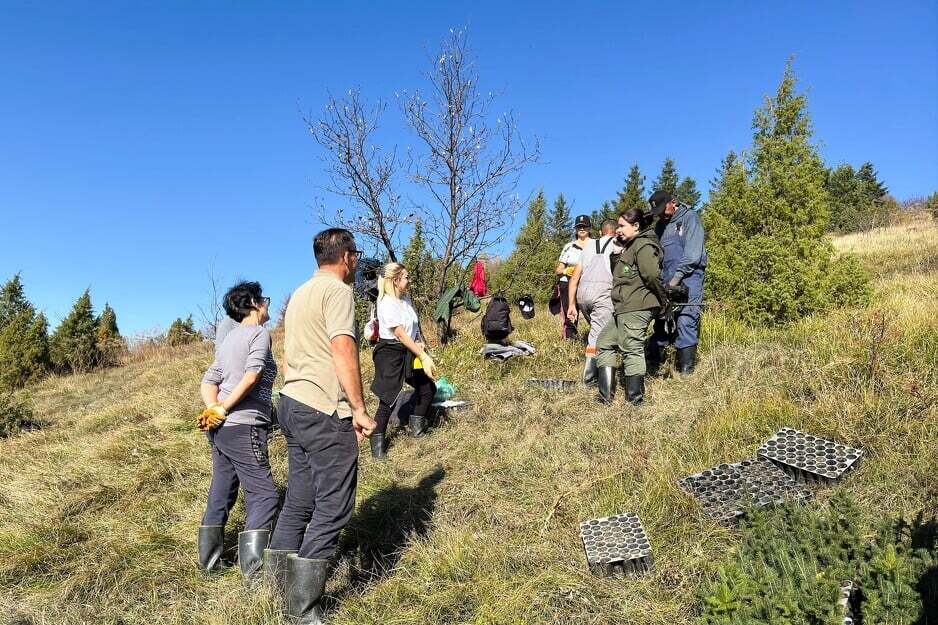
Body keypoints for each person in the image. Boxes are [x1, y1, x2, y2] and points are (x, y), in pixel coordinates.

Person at [265, 228, 376, 623]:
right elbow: (342, 347)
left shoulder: (298, 294)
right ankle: (302, 608)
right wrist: (359, 408)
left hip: (291, 402)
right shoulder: (339, 292)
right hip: (321, 406)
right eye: (356, 254)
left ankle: (275, 590)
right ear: (346, 256)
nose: (357, 261)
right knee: (335, 503)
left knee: (300, 498)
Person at [198, 281, 279, 585]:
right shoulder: (259, 334)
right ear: (254, 304)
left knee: (222, 489)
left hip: (221, 429)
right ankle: (254, 575)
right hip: (244, 426)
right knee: (266, 495)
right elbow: (253, 374)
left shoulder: (230, 339)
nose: (268, 305)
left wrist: (214, 408)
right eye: (265, 299)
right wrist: (223, 408)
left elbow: (209, 379)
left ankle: (209, 563)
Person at [594, 208, 669, 405]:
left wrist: (663, 300)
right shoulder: (630, 245)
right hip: (624, 307)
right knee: (604, 342)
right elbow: (621, 274)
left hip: (637, 306)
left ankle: (634, 401)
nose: (618, 230)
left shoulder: (643, 245)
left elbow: (651, 275)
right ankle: (605, 397)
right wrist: (616, 254)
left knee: (632, 348)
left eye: (621, 226)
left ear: (636, 226)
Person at [369, 262, 438, 460]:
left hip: (409, 350)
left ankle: (416, 430)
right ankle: (377, 449)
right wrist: (422, 356)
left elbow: (410, 331)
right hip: (390, 353)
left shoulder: (405, 301)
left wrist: (419, 346)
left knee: (427, 389)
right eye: (406, 277)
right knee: (388, 399)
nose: (410, 280)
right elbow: (399, 334)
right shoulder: (386, 304)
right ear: (395, 280)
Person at [647, 191, 708, 375]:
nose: (660, 214)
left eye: (662, 209)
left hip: (690, 279)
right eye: (656, 212)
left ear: (673, 202)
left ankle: (686, 372)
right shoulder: (660, 226)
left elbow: (692, 255)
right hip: (666, 281)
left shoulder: (690, 218)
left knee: (686, 320)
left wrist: (676, 279)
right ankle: (654, 366)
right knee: (660, 321)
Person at [566, 218, 617, 385]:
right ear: (615, 231)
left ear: (601, 232)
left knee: (597, 331)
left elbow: (574, 277)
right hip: (602, 293)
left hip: (582, 294)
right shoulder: (617, 244)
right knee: (598, 337)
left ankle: (592, 376)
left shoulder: (588, 247)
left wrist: (572, 304)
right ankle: (590, 380)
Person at [554, 215, 592, 340]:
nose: (582, 228)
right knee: (570, 313)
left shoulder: (595, 245)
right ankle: (570, 339)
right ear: (575, 229)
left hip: (589, 284)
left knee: (593, 312)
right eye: (579, 226)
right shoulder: (568, 247)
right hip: (568, 284)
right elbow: (558, 270)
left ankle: (595, 338)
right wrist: (567, 270)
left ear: (590, 228)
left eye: (584, 226)